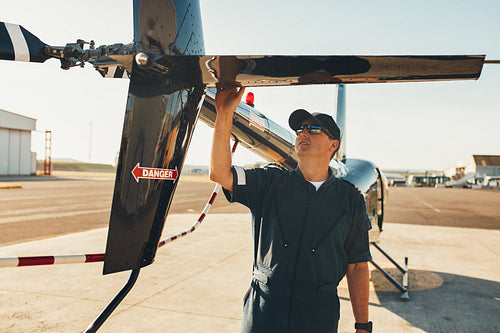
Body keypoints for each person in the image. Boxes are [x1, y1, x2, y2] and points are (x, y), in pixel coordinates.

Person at [210, 83, 372, 333]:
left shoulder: (350, 200)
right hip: (264, 312)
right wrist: (224, 115)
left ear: (333, 145)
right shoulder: (269, 182)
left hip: (317, 317)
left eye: (314, 129)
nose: (302, 133)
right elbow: (220, 173)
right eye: (299, 129)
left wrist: (363, 326)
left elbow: (358, 266)